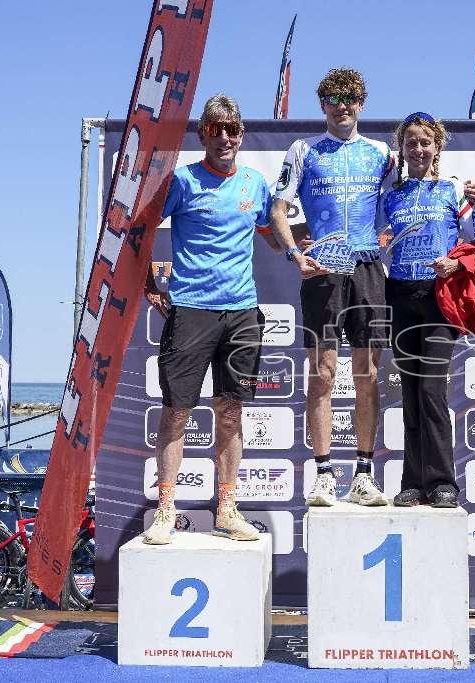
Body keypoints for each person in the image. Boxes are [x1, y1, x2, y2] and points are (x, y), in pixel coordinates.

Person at [142, 94, 276, 544]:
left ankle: (227, 509)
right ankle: (166, 510)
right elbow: (139, 232)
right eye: (215, 131)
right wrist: (148, 284)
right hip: (191, 310)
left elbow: (272, 235)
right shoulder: (182, 181)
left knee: (232, 413)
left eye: (231, 130)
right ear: (202, 135)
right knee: (177, 413)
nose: (224, 139)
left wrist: (308, 242)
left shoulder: (255, 183)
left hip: (242, 311)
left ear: (241, 134)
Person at [268, 67, 394, 507]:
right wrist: (294, 254)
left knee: (368, 374)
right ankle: (323, 473)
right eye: (334, 99)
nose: (343, 106)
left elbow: (405, 200)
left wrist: (458, 192)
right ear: (323, 104)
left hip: (367, 268)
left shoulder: (382, 153)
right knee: (322, 373)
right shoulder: (303, 150)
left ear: (361, 103)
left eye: (350, 98)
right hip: (322, 269)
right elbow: (278, 208)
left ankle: (363, 474)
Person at [380, 112, 475, 508]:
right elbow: (373, 238)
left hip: (439, 298)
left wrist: (455, 263)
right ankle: (412, 482)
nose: (418, 149)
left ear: (437, 147)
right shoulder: (390, 195)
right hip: (400, 294)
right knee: (409, 390)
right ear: (402, 149)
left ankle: (442, 482)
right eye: (411, 143)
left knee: (431, 389)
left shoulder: (455, 189)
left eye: (425, 142)